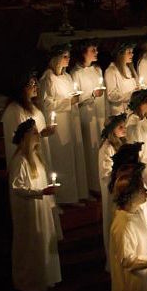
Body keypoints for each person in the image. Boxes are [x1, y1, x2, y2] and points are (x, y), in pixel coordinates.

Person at [8, 119, 61, 291]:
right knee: (32, 244)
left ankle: (45, 278)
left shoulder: (36, 158)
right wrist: (40, 192)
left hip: (41, 208)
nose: (38, 135)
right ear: (25, 137)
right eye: (34, 132)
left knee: (43, 241)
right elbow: (17, 187)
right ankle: (30, 281)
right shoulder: (21, 161)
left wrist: (48, 196)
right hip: (30, 210)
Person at [39, 43, 89, 204]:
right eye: (65, 56)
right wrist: (68, 102)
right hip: (59, 126)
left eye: (68, 56)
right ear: (56, 59)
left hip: (71, 122)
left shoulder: (67, 76)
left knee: (72, 158)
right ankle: (61, 198)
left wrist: (74, 99)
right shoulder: (48, 79)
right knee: (62, 160)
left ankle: (74, 195)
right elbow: (46, 104)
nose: (68, 59)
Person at [70, 40, 107, 193]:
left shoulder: (97, 70)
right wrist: (91, 94)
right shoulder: (76, 73)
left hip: (99, 114)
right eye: (93, 50)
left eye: (96, 49)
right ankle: (92, 185)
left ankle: (101, 183)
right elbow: (75, 98)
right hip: (87, 116)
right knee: (91, 151)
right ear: (84, 53)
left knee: (100, 149)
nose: (96, 52)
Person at [98, 115, 127, 256]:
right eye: (120, 127)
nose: (124, 129)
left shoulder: (120, 144)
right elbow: (106, 173)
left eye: (124, 125)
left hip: (123, 187)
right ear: (112, 130)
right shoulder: (107, 148)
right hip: (114, 191)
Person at [105, 42, 139, 116]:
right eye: (129, 52)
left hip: (132, 109)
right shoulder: (111, 71)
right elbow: (111, 95)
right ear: (120, 54)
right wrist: (131, 94)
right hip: (120, 112)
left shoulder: (129, 68)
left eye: (132, 52)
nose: (132, 54)